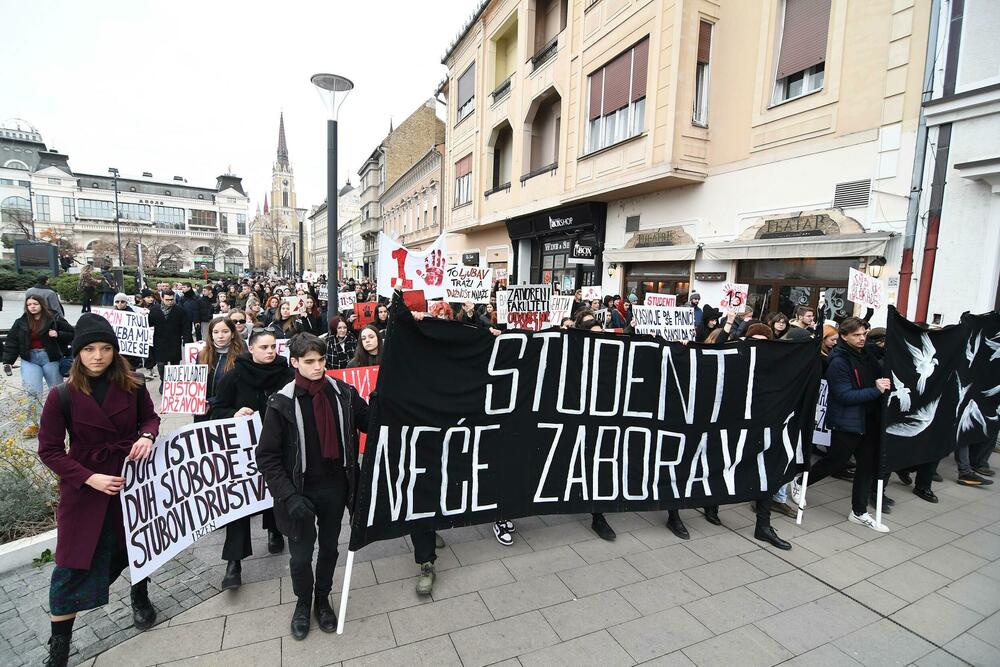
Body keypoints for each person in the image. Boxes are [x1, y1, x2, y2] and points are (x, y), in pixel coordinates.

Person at [37, 314, 160, 667]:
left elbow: (150, 418)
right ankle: (59, 647)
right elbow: (49, 451)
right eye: (89, 349)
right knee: (70, 566)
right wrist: (89, 478)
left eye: (106, 348)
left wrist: (147, 436)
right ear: (77, 354)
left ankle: (141, 595)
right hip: (85, 489)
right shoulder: (61, 396)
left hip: (130, 480)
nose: (98, 356)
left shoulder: (134, 385)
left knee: (136, 545)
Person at [257, 333, 369, 639]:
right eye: (309, 362)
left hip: (336, 488)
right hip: (299, 494)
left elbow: (369, 421)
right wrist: (289, 496)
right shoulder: (281, 403)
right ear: (295, 362)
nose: (318, 367)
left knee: (330, 549)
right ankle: (303, 603)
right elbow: (266, 456)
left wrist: (392, 398)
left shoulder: (343, 393)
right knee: (301, 556)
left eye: (321, 360)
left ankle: (322, 599)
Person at [790, 317, 891, 533]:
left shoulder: (868, 354)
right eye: (856, 335)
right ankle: (800, 482)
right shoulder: (839, 361)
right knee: (836, 461)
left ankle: (859, 511)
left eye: (864, 334)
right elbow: (843, 395)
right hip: (848, 421)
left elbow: (888, 353)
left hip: (870, 420)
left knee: (867, 465)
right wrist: (876, 390)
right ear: (844, 336)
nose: (862, 338)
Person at [211, 329, 292, 588]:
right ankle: (233, 563)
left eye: (273, 347)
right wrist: (234, 413)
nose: (270, 352)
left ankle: (275, 529)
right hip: (242, 451)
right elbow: (216, 410)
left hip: (278, 447)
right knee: (240, 502)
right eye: (264, 348)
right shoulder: (234, 375)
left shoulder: (287, 374)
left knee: (275, 490)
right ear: (252, 349)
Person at [3, 296, 74, 436]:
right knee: (32, 392)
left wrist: (57, 334)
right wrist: (8, 361)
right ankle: (33, 424)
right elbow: (12, 341)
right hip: (29, 359)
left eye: (35, 303)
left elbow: (72, 333)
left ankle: (61, 420)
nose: (32, 306)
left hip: (50, 357)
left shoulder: (54, 317)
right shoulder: (21, 322)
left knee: (57, 391)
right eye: (29, 304)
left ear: (41, 304)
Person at [197, 317, 245, 422]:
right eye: (216, 332)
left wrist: (211, 402)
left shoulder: (242, 357)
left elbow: (239, 390)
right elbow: (197, 384)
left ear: (232, 334)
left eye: (225, 331)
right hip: (203, 413)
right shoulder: (202, 355)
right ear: (211, 335)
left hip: (229, 413)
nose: (220, 336)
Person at [148, 290, 193, 393]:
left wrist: (186, 341)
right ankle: (163, 381)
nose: (170, 302)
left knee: (175, 364)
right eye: (167, 300)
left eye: (172, 300)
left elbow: (186, 327)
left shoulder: (180, 310)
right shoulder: (154, 310)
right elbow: (149, 324)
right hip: (159, 341)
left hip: (174, 341)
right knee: (160, 364)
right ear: (162, 298)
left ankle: (173, 383)